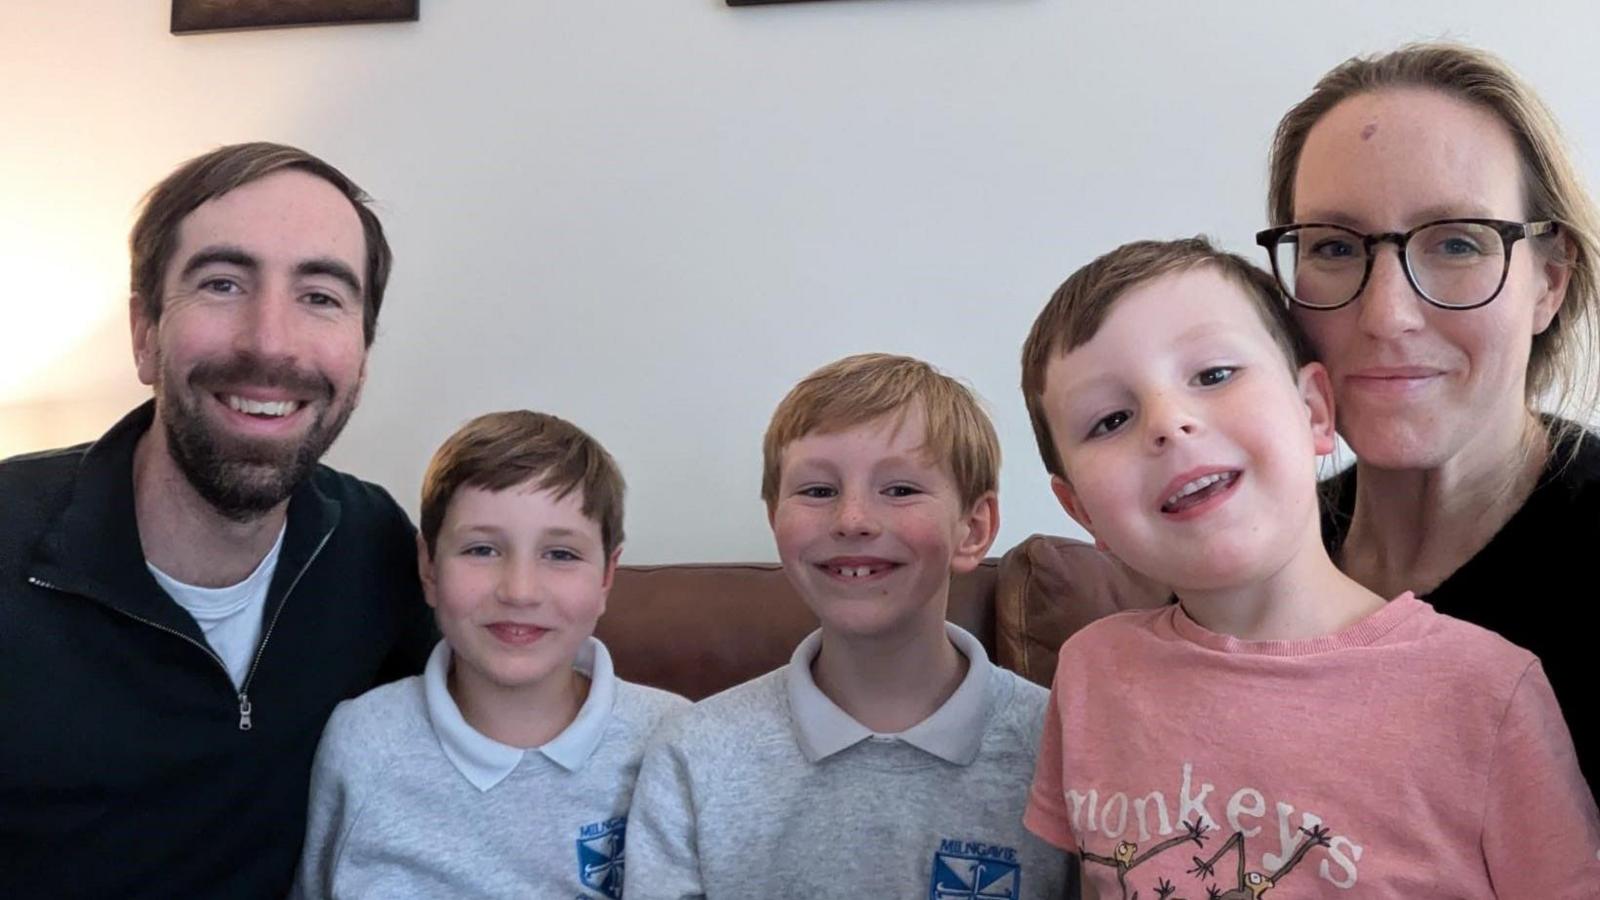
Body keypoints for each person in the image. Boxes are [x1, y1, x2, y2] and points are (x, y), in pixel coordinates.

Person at [1019, 236, 1599, 896]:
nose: (1168, 423)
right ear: (1080, 509)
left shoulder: (1488, 692)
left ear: (1315, 411)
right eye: (1110, 419)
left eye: (1212, 375)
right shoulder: (1092, 670)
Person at [0, 142, 435, 897]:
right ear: (145, 333)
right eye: (223, 283)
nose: (270, 342)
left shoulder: (372, 545)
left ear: (362, 353)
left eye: (322, 296)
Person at [1259, 41, 1600, 790]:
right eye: (1335, 247)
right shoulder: (1252, 556)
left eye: (1456, 243)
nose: (1387, 315)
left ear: (1549, 280)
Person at [624, 353, 1069, 899]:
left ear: (973, 529)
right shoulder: (694, 756)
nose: (853, 520)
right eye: (817, 491)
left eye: (900, 489)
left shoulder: (1062, 746)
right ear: (775, 521)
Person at [294, 410, 687, 899]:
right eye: (481, 549)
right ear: (429, 567)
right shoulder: (362, 743)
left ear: (607, 576)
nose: (520, 591)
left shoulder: (676, 742)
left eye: (561, 554)